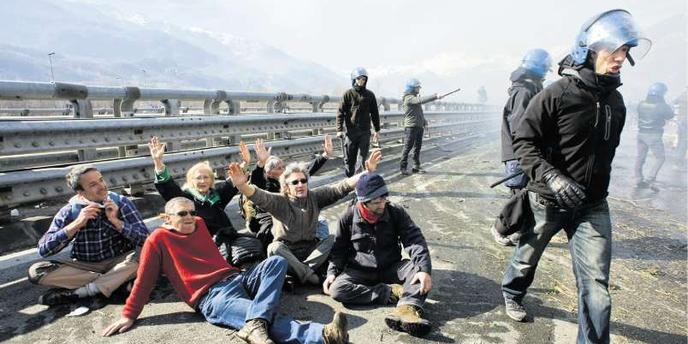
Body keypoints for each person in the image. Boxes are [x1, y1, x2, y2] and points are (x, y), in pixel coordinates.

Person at [500, 9, 651, 344]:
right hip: (549, 199)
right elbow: (523, 141)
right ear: (590, 50)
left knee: (597, 289)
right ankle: (512, 291)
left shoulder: (617, 101)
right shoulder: (555, 94)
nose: (621, 59)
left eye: (625, 52)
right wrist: (551, 177)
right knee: (527, 257)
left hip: (593, 206)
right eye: (615, 51)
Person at [102, 197, 349, 344]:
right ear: (166, 218)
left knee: (276, 263)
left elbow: (212, 258)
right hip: (212, 297)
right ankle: (323, 336)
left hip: (237, 278)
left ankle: (255, 321)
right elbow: (144, 281)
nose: (189, 217)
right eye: (181, 214)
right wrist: (129, 314)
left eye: (191, 212)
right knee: (262, 316)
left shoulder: (198, 224)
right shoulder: (157, 240)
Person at [226, 150, 382, 286]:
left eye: (303, 181)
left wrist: (366, 173)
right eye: (295, 182)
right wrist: (241, 185)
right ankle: (311, 277)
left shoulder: (315, 197)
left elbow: (341, 187)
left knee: (333, 239)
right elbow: (258, 195)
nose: (300, 184)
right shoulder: (279, 201)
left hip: (311, 251)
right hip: (287, 252)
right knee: (273, 248)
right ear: (287, 187)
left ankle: (300, 273)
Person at [323, 173, 433, 337]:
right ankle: (389, 293)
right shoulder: (347, 217)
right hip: (359, 270)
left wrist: (424, 269)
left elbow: (414, 240)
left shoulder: (395, 212)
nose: (382, 204)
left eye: (384, 199)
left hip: (391, 267)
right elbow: (339, 250)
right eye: (376, 202)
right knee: (337, 290)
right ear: (363, 202)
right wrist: (332, 273)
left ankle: (407, 309)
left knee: (417, 272)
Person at [28, 165, 148, 306]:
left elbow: (146, 239)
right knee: (36, 272)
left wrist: (117, 222)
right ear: (80, 193)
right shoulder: (70, 211)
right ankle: (114, 283)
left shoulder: (121, 203)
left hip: (121, 260)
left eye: (101, 180)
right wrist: (76, 224)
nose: (102, 186)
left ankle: (83, 292)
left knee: (149, 254)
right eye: (93, 185)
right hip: (85, 267)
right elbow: (44, 250)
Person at [148, 136, 250, 261]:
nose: (202, 181)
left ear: (212, 180)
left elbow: (234, 180)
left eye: (206, 177)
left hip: (229, 242)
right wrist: (158, 163)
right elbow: (168, 187)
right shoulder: (184, 200)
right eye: (198, 178)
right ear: (191, 181)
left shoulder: (216, 196)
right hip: (201, 250)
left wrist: (245, 162)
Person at [492, 49, 552, 246]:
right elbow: (519, 125)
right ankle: (501, 228)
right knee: (519, 195)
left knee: (527, 192)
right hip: (519, 152)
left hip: (525, 151)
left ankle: (518, 229)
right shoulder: (524, 91)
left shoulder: (531, 87)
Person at [242, 137, 333, 247]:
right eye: (279, 168)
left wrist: (325, 155)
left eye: (283, 166)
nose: (283, 170)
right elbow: (255, 183)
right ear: (269, 173)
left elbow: (307, 170)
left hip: (291, 215)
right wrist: (261, 163)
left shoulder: (288, 180)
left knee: (321, 221)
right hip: (271, 222)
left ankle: (320, 249)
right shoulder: (265, 185)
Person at [336, 67, 381, 177]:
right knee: (349, 159)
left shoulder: (370, 95)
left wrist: (377, 129)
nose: (361, 81)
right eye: (359, 78)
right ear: (354, 79)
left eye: (364, 79)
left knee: (361, 159)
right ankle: (349, 180)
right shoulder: (347, 94)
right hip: (351, 132)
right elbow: (340, 112)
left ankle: (358, 182)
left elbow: (375, 113)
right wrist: (339, 129)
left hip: (365, 132)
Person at [399, 78, 445, 175]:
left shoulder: (414, 98)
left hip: (418, 126)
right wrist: (435, 96)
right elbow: (420, 100)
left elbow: (418, 112)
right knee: (408, 147)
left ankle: (416, 166)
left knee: (417, 147)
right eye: (417, 87)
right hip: (411, 127)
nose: (419, 89)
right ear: (412, 88)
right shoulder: (408, 98)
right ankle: (403, 167)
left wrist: (424, 121)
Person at [634, 82, 675, 187]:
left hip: (641, 134)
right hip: (654, 135)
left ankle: (638, 179)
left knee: (640, 157)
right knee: (661, 158)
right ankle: (650, 179)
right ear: (661, 93)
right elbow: (670, 115)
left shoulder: (641, 104)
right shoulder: (662, 106)